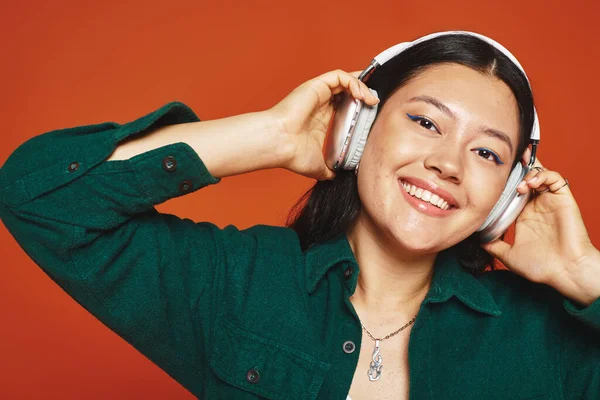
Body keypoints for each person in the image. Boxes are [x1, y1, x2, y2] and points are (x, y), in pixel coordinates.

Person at [0, 31, 598, 400]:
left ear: (509, 192)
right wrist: (270, 137)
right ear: (357, 129)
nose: (448, 163)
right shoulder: (238, 285)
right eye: (425, 121)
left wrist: (585, 273)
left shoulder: (547, 340)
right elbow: (38, 197)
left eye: (487, 152)